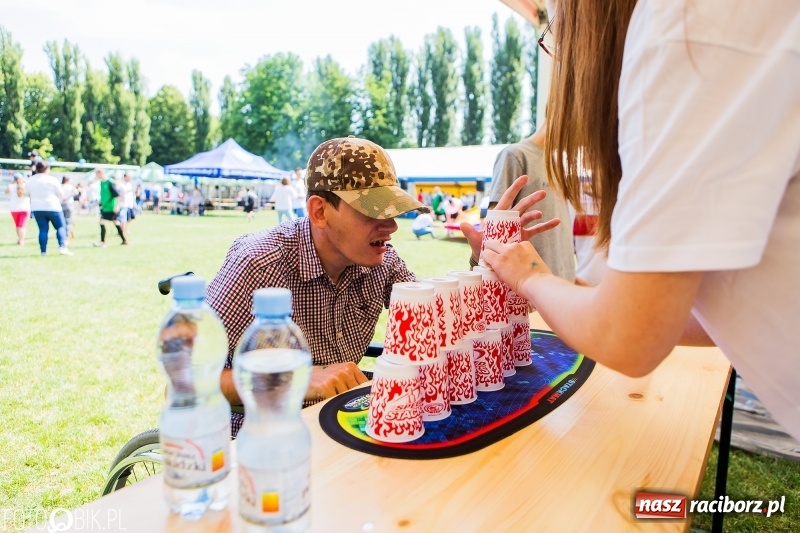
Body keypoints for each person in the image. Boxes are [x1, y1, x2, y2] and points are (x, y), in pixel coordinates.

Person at [483, 1, 800, 441]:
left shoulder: (679, 25)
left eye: (557, 29)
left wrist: (530, 276)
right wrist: (593, 298)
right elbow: (670, 315)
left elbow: (626, 338)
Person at [207, 136, 558, 437]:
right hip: (259, 443)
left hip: (341, 428)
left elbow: (440, 330)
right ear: (319, 211)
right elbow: (189, 379)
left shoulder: (383, 262)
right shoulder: (258, 263)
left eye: (392, 210)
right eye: (373, 211)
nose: (391, 226)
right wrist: (292, 379)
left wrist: (489, 264)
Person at [488, 123, 576, 282]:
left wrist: (572, 278)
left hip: (561, 286)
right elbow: (493, 236)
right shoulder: (515, 155)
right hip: (531, 286)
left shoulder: (559, 164)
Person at [26, 161, 72, 256]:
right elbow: (61, 194)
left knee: (43, 229)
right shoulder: (52, 179)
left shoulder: (31, 180)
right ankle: (62, 247)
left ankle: (43, 251)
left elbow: (26, 193)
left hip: (37, 207)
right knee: (60, 227)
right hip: (53, 206)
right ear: (47, 169)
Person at [94, 169, 127, 247]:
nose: (96, 176)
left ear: (101, 173)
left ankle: (104, 242)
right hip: (105, 207)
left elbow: (117, 195)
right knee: (106, 222)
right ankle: (123, 240)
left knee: (113, 222)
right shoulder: (101, 183)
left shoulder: (110, 182)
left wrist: (116, 206)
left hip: (111, 207)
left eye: (97, 174)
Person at [5, 173, 30, 245]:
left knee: (17, 225)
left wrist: (11, 183)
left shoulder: (11, 186)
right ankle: (21, 240)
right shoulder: (26, 186)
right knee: (22, 225)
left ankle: (19, 239)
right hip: (25, 209)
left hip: (14, 209)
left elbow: (6, 192)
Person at [60, 176, 77, 243]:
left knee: (62, 220)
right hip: (69, 204)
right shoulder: (70, 186)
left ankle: (64, 235)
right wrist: (68, 197)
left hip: (61, 204)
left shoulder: (61, 186)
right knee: (68, 221)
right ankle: (66, 236)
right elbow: (76, 192)